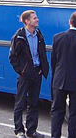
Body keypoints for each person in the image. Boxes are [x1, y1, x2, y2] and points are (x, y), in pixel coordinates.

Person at [9, 10, 49, 138]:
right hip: (25, 75)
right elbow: (12, 57)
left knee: (34, 103)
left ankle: (31, 130)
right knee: (20, 103)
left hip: (37, 72)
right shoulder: (19, 37)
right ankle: (19, 130)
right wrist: (22, 71)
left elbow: (42, 53)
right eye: (34, 18)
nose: (37, 20)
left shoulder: (39, 35)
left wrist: (42, 68)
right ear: (27, 21)